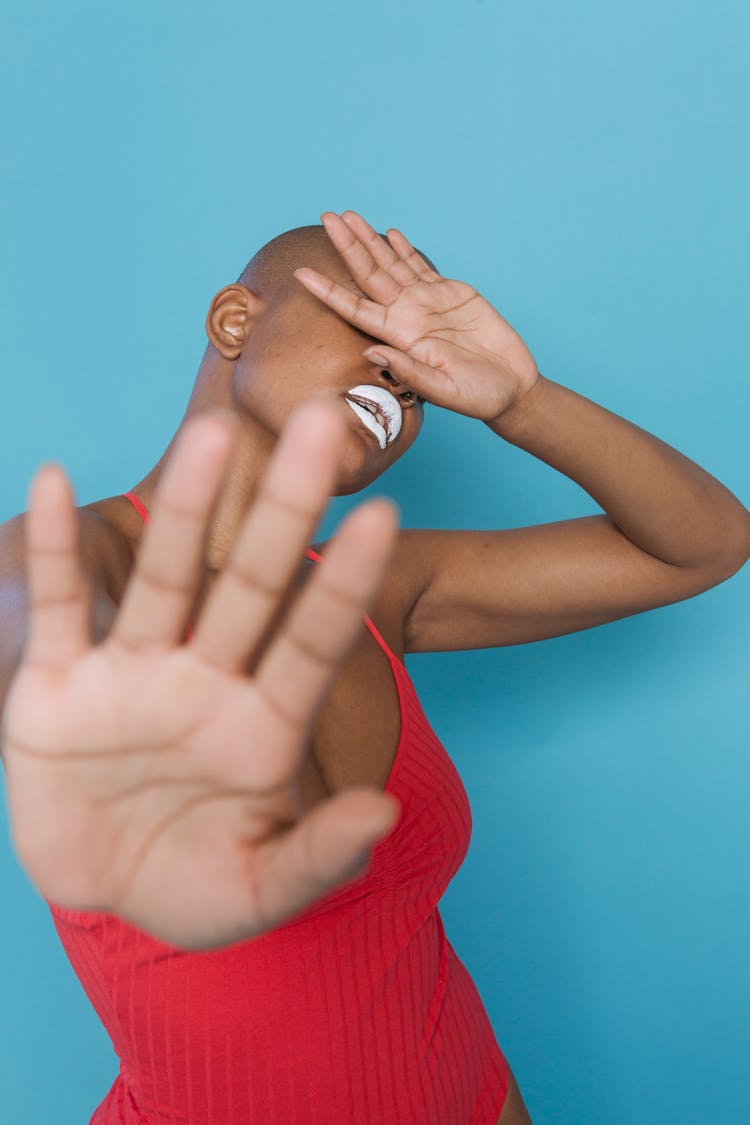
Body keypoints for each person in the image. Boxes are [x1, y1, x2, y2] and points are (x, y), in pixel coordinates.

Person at [0, 210, 747, 1125]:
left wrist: (522, 401)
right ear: (236, 322)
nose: (398, 372)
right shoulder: (64, 558)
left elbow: (701, 546)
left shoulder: (372, 587)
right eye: (369, 325)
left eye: (415, 367)